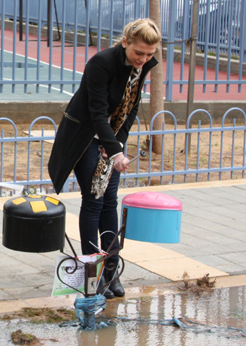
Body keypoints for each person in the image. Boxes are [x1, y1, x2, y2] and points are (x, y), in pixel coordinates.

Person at [48, 18, 162, 299]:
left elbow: (131, 109)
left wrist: (117, 142)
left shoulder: (142, 66)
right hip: (85, 136)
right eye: (139, 53)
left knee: (110, 201)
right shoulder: (101, 63)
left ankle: (110, 271)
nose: (143, 60)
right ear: (125, 42)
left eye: (150, 54)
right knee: (94, 200)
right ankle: (91, 274)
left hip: (111, 138)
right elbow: (97, 112)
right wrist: (113, 150)